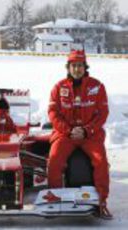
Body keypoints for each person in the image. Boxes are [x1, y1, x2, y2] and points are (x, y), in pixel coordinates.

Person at [47, 50, 112, 219]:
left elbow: (103, 113)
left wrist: (86, 130)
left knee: (101, 161)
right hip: (65, 134)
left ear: (85, 67)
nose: (77, 69)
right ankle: (55, 201)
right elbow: (53, 113)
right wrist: (68, 130)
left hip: (91, 134)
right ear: (68, 68)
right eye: (73, 66)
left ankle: (101, 203)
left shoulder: (97, 86)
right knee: (54, 160)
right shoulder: (58, 87)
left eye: (80, 65)